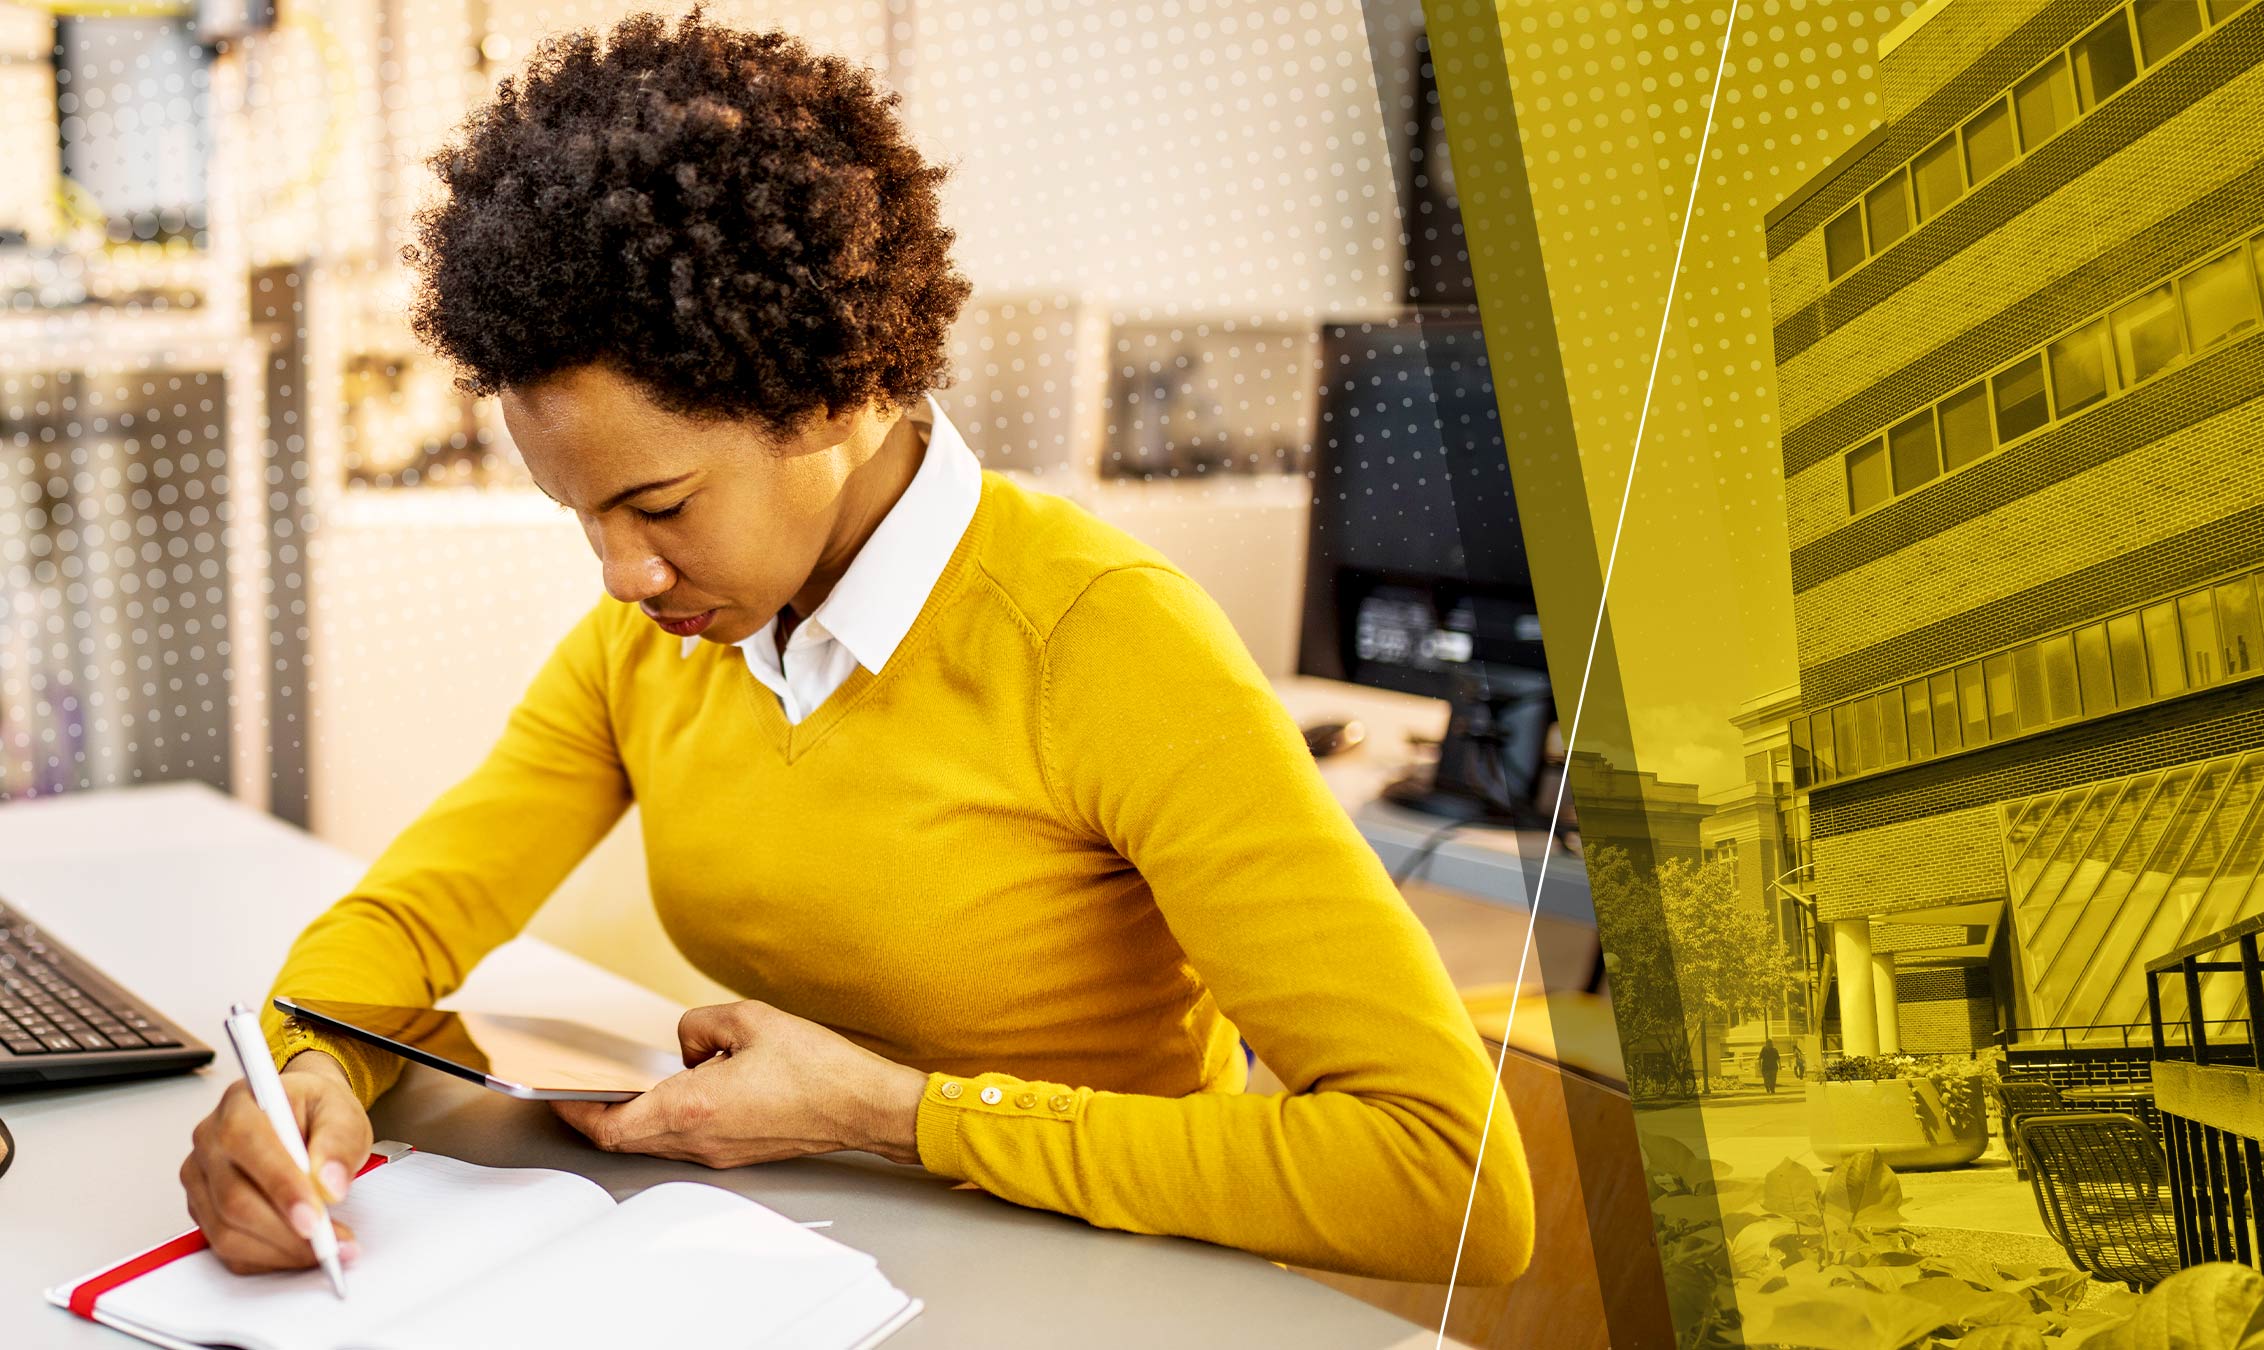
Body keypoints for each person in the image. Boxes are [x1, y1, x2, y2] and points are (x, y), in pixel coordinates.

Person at [174, 7, 1533, 1288]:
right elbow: (415, 912)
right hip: (818, 1267)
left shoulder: (1100, 638)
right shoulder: (651, 641)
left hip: (1106, 1287)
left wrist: (898, 1113)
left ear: (846, 390)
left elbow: (1449, 1171)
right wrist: (309, 1073)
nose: (621, 573)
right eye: (580, 516)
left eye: (658, 506)